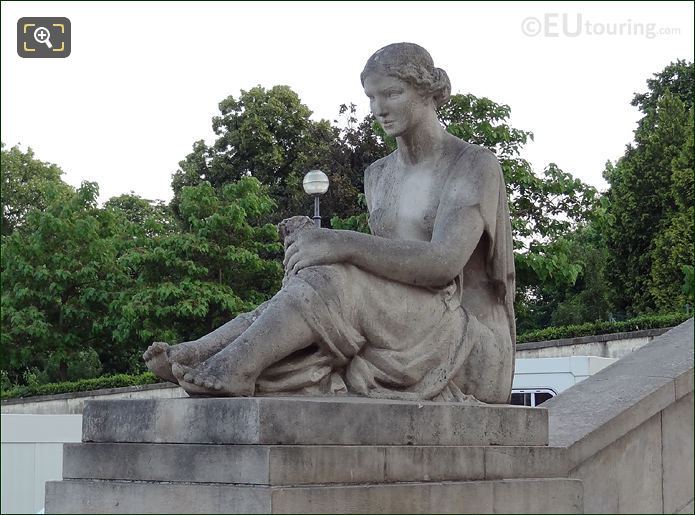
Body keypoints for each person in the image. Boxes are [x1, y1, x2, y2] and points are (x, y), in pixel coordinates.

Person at [143, 42, 516, 403]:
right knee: (319, 272)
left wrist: (343, 243)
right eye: (371, 97)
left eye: (392, 94)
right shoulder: (378, 174)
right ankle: (208, 352)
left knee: (335, 272)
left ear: (428, 93)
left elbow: (442, 264)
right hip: (407, 327)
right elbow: (381, 274)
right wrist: (321, 248)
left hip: (468, 341)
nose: (378, 109)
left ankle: (234, 365)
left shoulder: (472, 164)